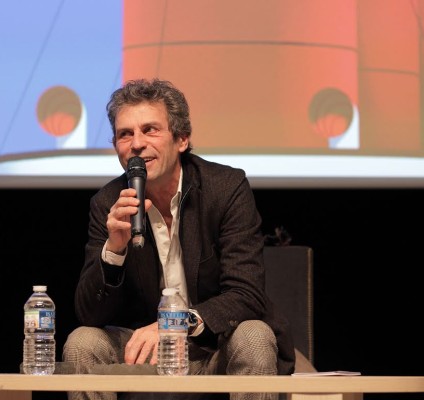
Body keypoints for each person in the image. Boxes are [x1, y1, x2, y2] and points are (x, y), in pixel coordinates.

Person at [62, 79, 295, 400]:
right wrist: (114, 249)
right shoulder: (108, 202)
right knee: (82, 342)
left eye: (150, 130)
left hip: (214, 347)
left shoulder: (226, 188)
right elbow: (90, 315)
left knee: (254, 335)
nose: (137, 144)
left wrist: (173, 324)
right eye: (125, 134)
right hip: (144, 354)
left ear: (182, 139)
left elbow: (246, 294)